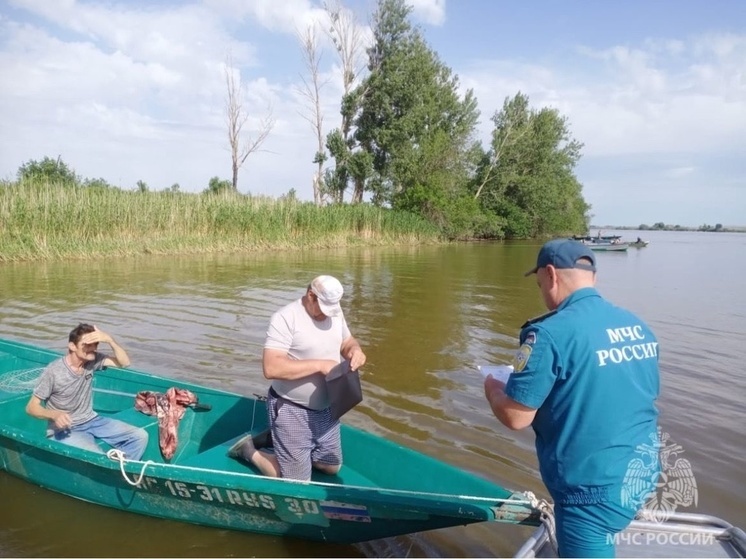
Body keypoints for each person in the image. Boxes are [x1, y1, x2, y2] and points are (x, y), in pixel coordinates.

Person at [483, 239, 660, 558]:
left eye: (539, 284)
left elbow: (516, 416)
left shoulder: (549, 333)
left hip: (591, 492)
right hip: (641, 472)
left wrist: (493, 386)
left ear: (550, 274)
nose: (542, 292)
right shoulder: (638, 325)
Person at [229, 275, 366, 481]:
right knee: (296, 480)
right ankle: (248, 450)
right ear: (311, 295)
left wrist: (355, 351)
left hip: (327, 408)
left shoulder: (334, 313)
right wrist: (320, 365)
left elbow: (346, 341)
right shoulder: (285, 318)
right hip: (292, 408)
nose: (326, 314)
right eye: (323, 308)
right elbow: (271, 367)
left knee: (330, 467)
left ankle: (276, 439)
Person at [26, 323, 148, 460]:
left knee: (140, 436)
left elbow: (124, 363)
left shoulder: (93, 360)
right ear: (72, 346)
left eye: (95, 344)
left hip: (92, 420)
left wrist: (109, 340)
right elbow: (31, 407)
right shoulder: (53, 371)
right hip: (65, 429)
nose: (93, 348)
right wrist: (54, 414)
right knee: (97, 457)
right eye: (87, 345)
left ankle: (122, 470)